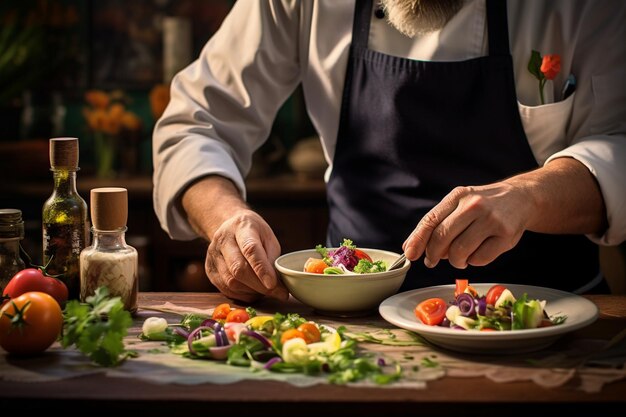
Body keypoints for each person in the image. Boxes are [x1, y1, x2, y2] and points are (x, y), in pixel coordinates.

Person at [153, 0, 626, 303]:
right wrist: (224, 218)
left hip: (546, 323)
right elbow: (197, 122)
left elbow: (619, 143)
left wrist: (533, 195)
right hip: (353, 329)